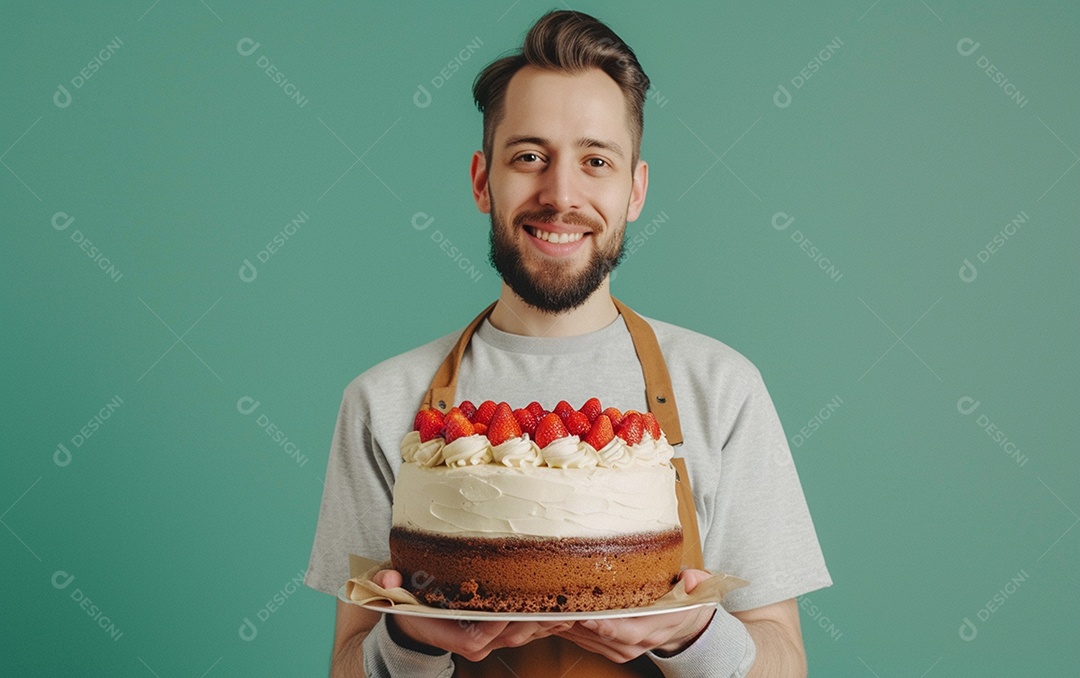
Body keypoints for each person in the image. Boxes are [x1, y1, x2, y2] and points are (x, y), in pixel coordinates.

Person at [305, 10, 831, 677]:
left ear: (635, 190)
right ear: (480, 180)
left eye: (596, 161)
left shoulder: (722, 388)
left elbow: (784, 661)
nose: (561, 195)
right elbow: (348, 662)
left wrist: (692, 632)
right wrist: (409, 639)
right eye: (529, 157)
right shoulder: (382, 402)